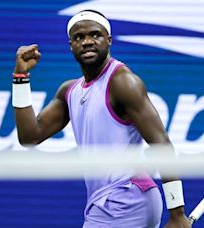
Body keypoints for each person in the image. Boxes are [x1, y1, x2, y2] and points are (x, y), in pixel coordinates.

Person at [12, 10, 191, 228]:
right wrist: (20, 78)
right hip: (107, 200)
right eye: (79, 37)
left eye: (94, 35)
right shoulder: (70, 91)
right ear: (71, 45)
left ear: (109, 40)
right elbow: (30, 136)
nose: (87, 42)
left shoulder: (123, 82)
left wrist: (177, 213)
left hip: (126, 197)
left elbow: (161, 143)